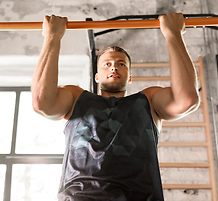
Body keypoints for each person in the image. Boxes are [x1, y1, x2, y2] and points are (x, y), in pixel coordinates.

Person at [31, 13, 200, 201]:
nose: (113, 67)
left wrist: (173, 34)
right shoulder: (75, 98)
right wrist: (52, 38)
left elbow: (187, 100)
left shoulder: (149, 101)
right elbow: (41, 102)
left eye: (121, 64)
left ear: (129, 77)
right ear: (97, 77)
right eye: (107, 64)